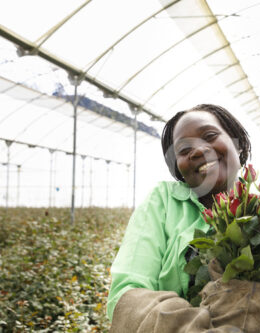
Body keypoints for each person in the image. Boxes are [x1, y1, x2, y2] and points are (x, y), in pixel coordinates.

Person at [107, 104, 252, 332]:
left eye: (210, 136)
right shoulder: (163, 201)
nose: (197, 151)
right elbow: (127, 293)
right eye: (184, 150)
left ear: (238, 144)